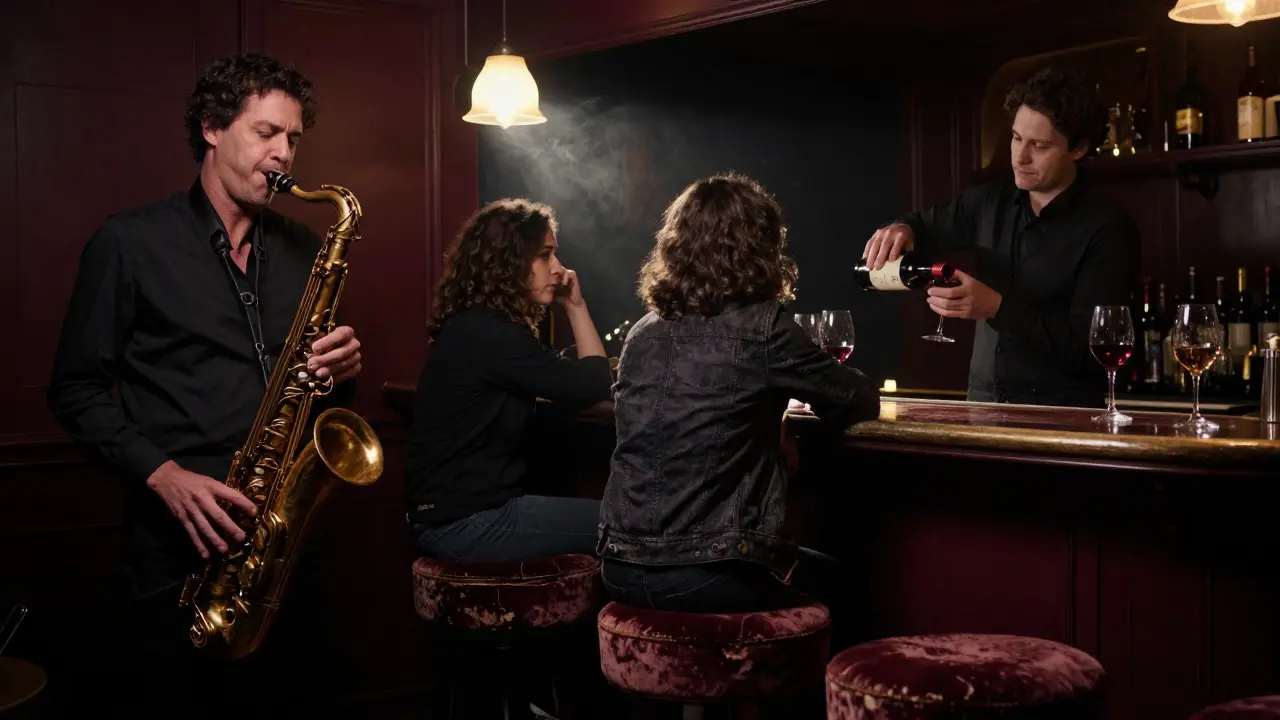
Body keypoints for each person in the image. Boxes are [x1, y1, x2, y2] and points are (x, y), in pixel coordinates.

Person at [47, 53, 361, 716]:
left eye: (294, 139)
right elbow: (73, 389)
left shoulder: (305, 253)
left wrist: (338, 374)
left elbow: (312, 402)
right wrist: (161, 474)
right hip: (178, 547)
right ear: (213, 128)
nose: (284, 155)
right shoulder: (130, 243)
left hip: (282, 547)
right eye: (267, 133)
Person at [597, 173, 880, 614]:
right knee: (844, 584)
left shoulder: (641, 333)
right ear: (762, 248)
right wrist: (784, 410)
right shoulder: (763, 329)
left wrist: (776, 415)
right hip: (707, 572)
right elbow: (857, 400)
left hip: (618, 566)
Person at [863, 67, 1141, 408]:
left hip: (1063, 418)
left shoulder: (1107, 228)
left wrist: (996, 307)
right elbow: (923, 225)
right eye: (1015, 138)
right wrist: (903, 227)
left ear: (1079, 148)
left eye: (1039, 145)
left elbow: (1092, 351)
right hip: (983, 406)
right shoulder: (989, 202)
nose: (1020, 157)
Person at [405, 198, 613, 563]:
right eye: (545, 255)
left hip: (447, 518)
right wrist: (576, 307)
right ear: (509, 261)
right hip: (464, 524)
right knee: (625, 522)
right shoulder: (493, 334)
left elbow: (564, 375)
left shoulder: (476, 325)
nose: (559, 269)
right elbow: (594, 384)